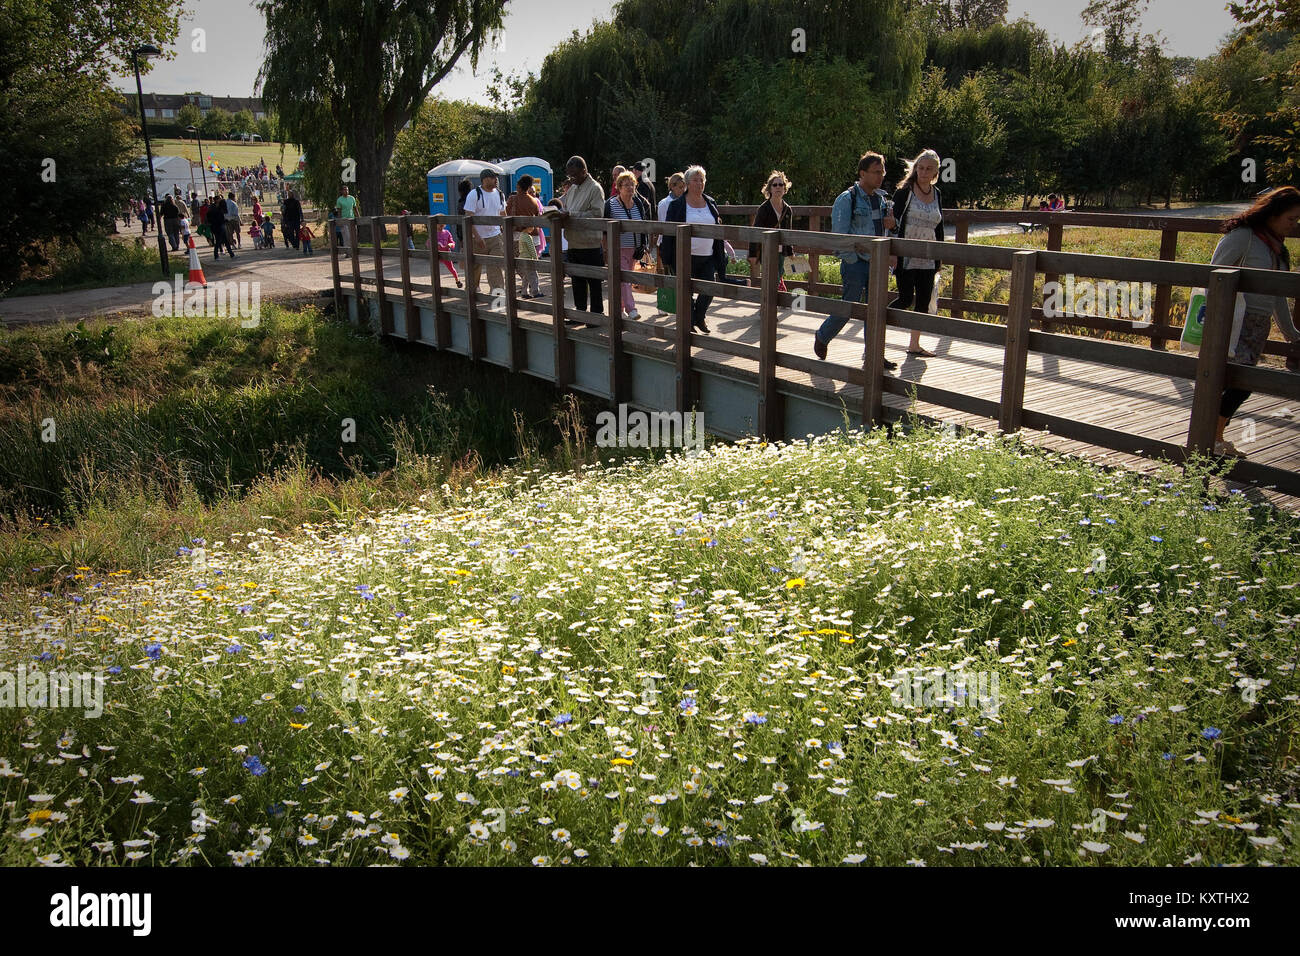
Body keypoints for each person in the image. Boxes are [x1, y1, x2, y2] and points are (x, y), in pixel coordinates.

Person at [1208, 186, 1300, 457]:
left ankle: (1213, 437)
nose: (1293, 226)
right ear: (1273, 213)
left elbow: (1278, 294)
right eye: (1290, 219)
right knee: (1236, 382)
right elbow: (1214, 275)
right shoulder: (1243, 236)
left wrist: (1291, 334)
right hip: (1233, 321)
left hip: (1257, 326)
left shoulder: (1278, 249)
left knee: (1239, 383)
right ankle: (1210, 438)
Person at [813, 152, 897, 367]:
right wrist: (851, 260)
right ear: (862, 173)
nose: (880, 176)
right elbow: (839, 236)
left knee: (876, 310)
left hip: (877, 262)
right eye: (875, 172)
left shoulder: (882, 200)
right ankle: (823, 336)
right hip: (856, 262)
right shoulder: (847, 198)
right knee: (849, 307)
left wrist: (892, 226)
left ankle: (874, 355)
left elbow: (888, 232)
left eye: (882, 172)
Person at [659, 165, 728, 334]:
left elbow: (718, 226)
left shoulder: (710, 202)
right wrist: (666, 257)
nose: (699, 183)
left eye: (701, 180)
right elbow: (668, 232)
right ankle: (689, 323)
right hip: (684, 255)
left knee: (710, 287)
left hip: (708, 255)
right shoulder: (676, 205)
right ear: (688, 183)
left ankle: (698, 316)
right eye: (695, 180)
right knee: (685, 291)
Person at [889, 148, 945, 357]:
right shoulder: (905, 191)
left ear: (935, 172)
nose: (923, 172)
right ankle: (876, 329)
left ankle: (914, 344)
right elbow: (892, 222)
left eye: (928, 169)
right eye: (920, 168)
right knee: (905, 298)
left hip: (928, 255)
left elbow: (939, 227)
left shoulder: (937, 193)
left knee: (923, 300)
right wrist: (892, 252)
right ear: (915, 169)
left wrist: (939, 257)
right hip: (906, 253)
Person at [544, 155, 607, 320]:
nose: (572, 179)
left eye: (575, 175)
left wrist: (571, 214)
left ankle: (595, 316)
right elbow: (561, 202)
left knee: (593, 283)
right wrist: (551, 209)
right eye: (570, 176)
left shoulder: (595, 188)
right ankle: (579, 314)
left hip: (590, 244)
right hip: (573, 243)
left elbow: (597, 214)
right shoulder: (573, 188)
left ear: (584, 171)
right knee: (577, 282)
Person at [604, 170, 652, 320]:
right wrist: (606, 249)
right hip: (618, 248)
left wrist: (645, 244)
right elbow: (604, 229)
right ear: (619, 187)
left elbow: (644, 224)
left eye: (632, 184)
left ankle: (619, 310)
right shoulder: (611, 204)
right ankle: (632, 309)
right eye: (626, 185)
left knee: (626, 280)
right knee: (624, 279)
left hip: (635, 249)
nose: (630, 188)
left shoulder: (638, 203)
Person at [463, 168, 507, 295]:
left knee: (495, 265)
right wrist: (476, 236)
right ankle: (472, 291)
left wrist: (504, 232)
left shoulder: (500, 194)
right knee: (475, 266)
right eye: (494, 177)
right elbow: (468, 216)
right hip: (476, 237)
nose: (496, 180)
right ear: (485, 179)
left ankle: (497, 293)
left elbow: (503, 213)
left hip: (495, 236)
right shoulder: (474, 194)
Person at [748, 170, 794, 287]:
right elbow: (755, 231)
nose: (778, 187)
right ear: (770, 189)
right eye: (775, 185)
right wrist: (752, 254)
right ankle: (770, 303)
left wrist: (790, 252)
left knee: (778, 275)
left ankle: (772, 300)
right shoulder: (764, 208)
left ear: (785, 188)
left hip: (781, 251)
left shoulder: (787, 210)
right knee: (773, 277)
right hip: (767, 249)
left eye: (781, 184)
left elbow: (788, 233)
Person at [506, 174, 544, 298]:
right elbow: (537, 216)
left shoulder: (512, 199)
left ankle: (529, 290)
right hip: (530, 235)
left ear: (518, 186)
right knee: (529, 265)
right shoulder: (533, 201)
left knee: (521, 266)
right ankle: (530, 290)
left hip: (515, 237)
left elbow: (506, 213)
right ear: (529, 187)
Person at [656, 172, 687, 270]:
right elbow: (663, 223)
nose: (683, 190)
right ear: (672, 187)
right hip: (668, 242)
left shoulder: (686, 202)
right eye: (680, 187)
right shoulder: (664, 203)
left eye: (684, 187)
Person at [429, 222, 462, 288]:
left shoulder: (447, 233)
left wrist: (450, 245)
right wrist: (433, 245)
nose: (441, 225)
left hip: (446, 253)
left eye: (442, 224)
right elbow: (428, 243)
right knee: (434, 269)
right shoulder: (433, 233)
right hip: (436, 254)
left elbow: (452, 242)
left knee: (451, 268)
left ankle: (457, 280)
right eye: (439, 224)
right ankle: (435, 284)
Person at [207, 191, 234, 259]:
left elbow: (224, 213)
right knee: (218, 241)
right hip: (217, 226)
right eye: (219, 199)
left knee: (225, 240)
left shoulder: (219, 207)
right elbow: (212, 217)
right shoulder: (213, 208)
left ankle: (231, 254)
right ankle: (216, 255)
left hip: (220, 225)